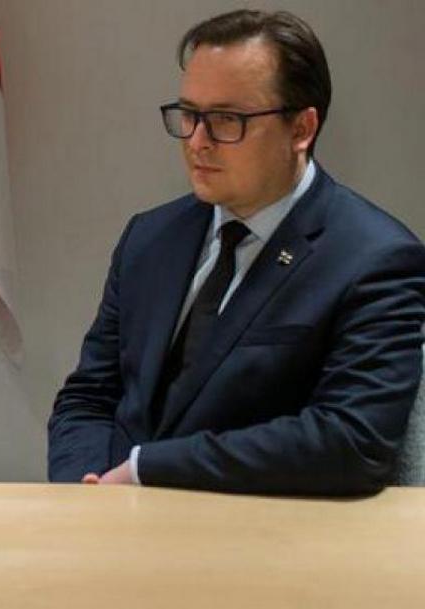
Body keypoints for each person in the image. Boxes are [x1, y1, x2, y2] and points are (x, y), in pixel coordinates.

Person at [48, 9, 425, 495]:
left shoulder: (376, 258)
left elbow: (351, 441)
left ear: (301, 129)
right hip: (108, 514)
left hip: (256, 528)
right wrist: (84, 487)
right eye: (189, 114)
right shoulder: (150, 237)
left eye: (226, 120)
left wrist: (149, 468)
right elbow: (89, 396)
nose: (197, 142)